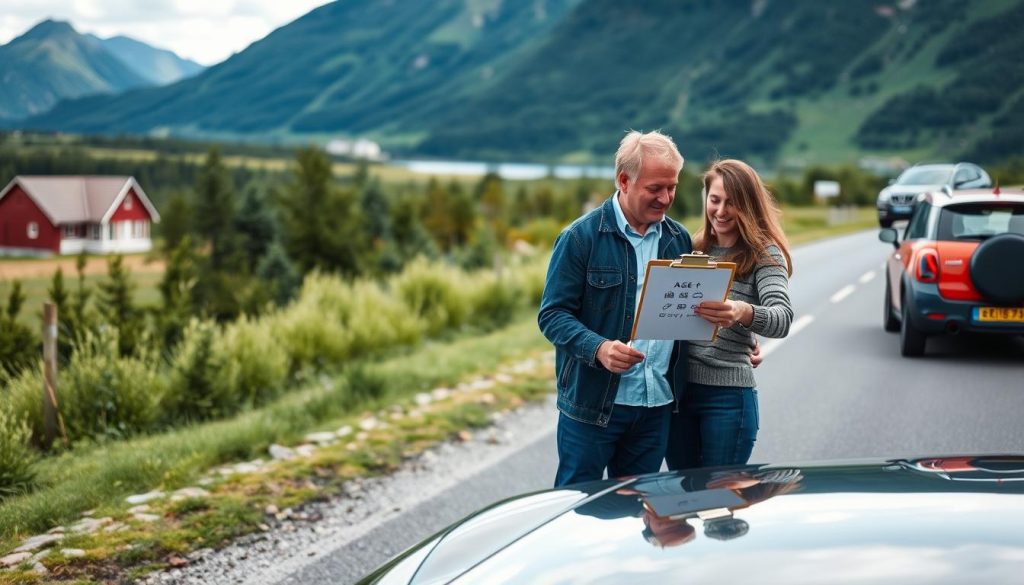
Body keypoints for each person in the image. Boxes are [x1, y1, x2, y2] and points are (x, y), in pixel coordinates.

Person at [538, 130, 692, 487]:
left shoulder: (679, 239)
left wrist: (739, 341)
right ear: (624, 180)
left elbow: (686, 314)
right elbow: (552, 315)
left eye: (672, 187)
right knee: (577, 512)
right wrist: (600, 348)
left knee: (638, 514)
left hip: (656, 407)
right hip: (593, 408)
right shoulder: (580, 238)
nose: (666, 198)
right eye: (656, 188)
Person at [665, 159, 793, 470]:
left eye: (732, 203)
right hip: (678, 395)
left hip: (729, 399)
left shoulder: (764, 254)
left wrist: (742, 311)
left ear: (749, 206)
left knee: (721, 506)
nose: (721, 211)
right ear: (705, 198)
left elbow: (782, 317)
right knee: (683, 500)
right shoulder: (690, 249)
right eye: (715, 200)